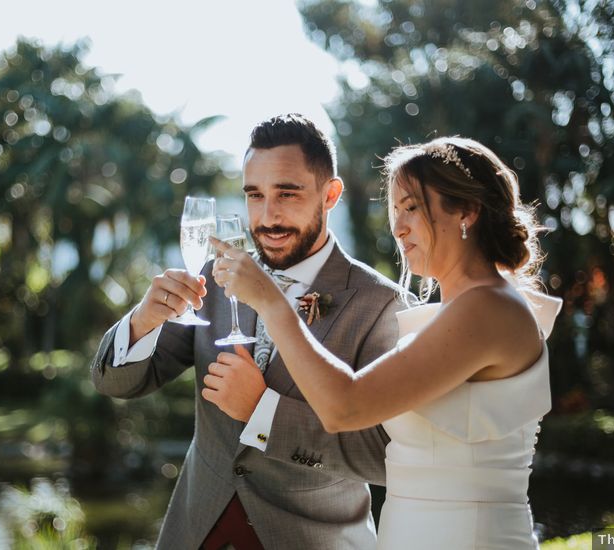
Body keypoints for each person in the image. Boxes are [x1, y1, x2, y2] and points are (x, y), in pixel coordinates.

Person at [210, 136, 563, 549]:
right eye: (394, 210)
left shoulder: (486, 308)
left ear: (466, 211)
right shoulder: (457, 311)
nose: (397, 226)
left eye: (411, 207)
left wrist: (272, 303)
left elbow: (346, 406)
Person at [90, 113, 406, 549]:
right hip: (197, 533)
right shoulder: (217, 276)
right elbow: (115, 382)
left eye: (287, 194)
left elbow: (385, 456)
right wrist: (143, 321)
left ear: (330, 194)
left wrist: (263, 411)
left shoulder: (379, 304)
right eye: (254, 196)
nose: (267, 216)